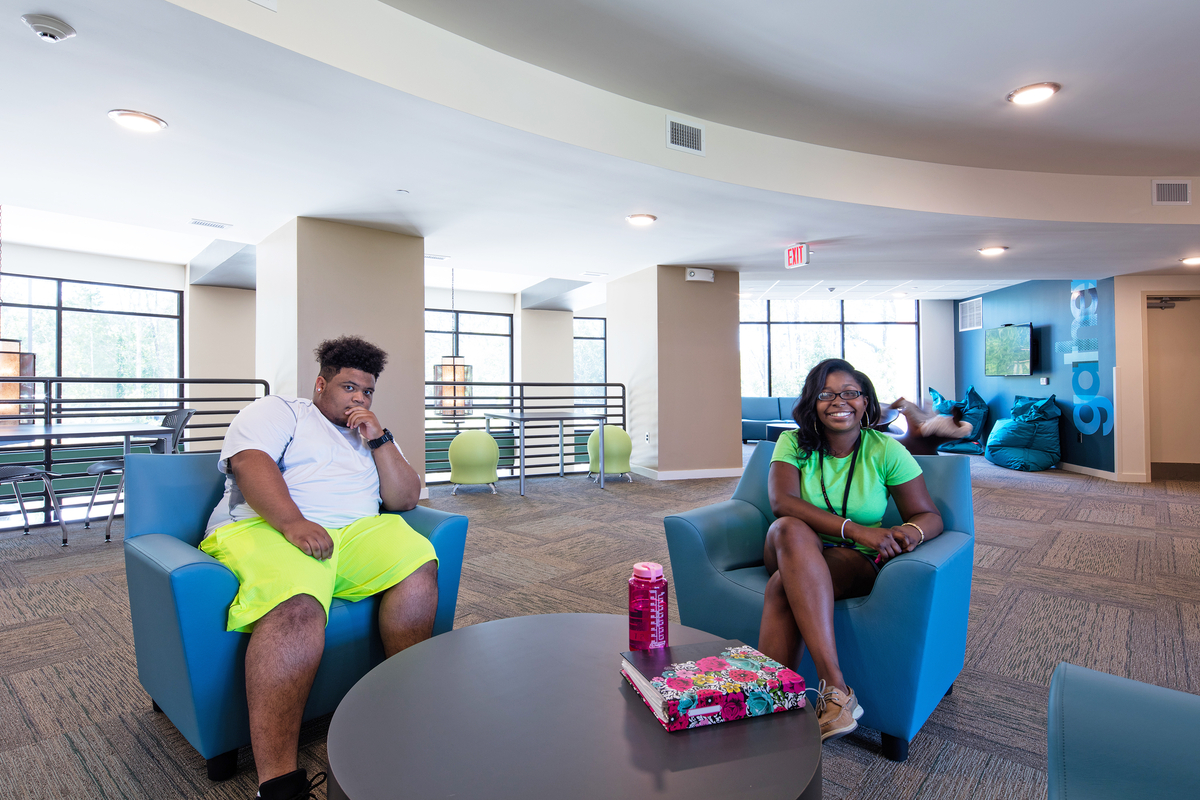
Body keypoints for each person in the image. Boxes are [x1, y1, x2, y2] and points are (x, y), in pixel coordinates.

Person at [200, 336, 438, 800]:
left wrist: (381, 438)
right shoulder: (281, 411)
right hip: (265, 526)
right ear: (321, 383)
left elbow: (405, 498)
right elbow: (250, 462)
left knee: (417, 560)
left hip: (354, 533)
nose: (358, 398)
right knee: (298, 604)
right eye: (349, 387)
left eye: (367, 392)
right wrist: (292, 522)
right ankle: (278, 784)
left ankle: (403, 715)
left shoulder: (370, 434)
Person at [758, 358, 943, 742]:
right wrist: (860, 531)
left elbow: (928, 515)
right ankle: (834, 684)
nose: (839, 401)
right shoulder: (792, 442)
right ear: (813, 402)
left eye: (850, 393)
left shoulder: (884, 450)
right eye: (826, 394)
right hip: (791, 546)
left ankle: (772, 707)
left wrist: (909, 533)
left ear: (865, 402)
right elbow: (783, 502)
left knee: (781, 587)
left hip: (850, 561)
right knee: (790, 527)